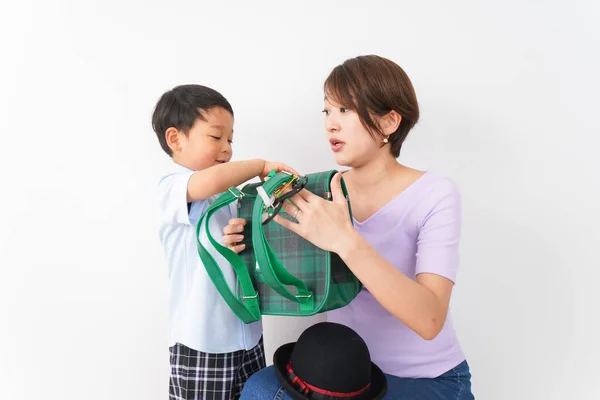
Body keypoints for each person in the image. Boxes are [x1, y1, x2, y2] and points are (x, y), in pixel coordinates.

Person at [222, 56, 475, 399]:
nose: (331, 125)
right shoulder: (318, 191)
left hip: (426, 380)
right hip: (340, 379)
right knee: (260, 391)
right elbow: (293, 285)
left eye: (345, 110)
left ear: (389, 122)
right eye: (327, 111)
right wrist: (248, 246)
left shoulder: (435, 194)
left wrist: (346, 242)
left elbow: (430, 320)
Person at [152, 84, 296, 400]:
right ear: (175, 139)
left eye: (230, 139)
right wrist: (259, 166)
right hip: (202, 339)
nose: (227, 148)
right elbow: (208, 183)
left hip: (246, 333)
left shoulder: (228, 195)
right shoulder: (173, 187)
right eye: (216, 137)